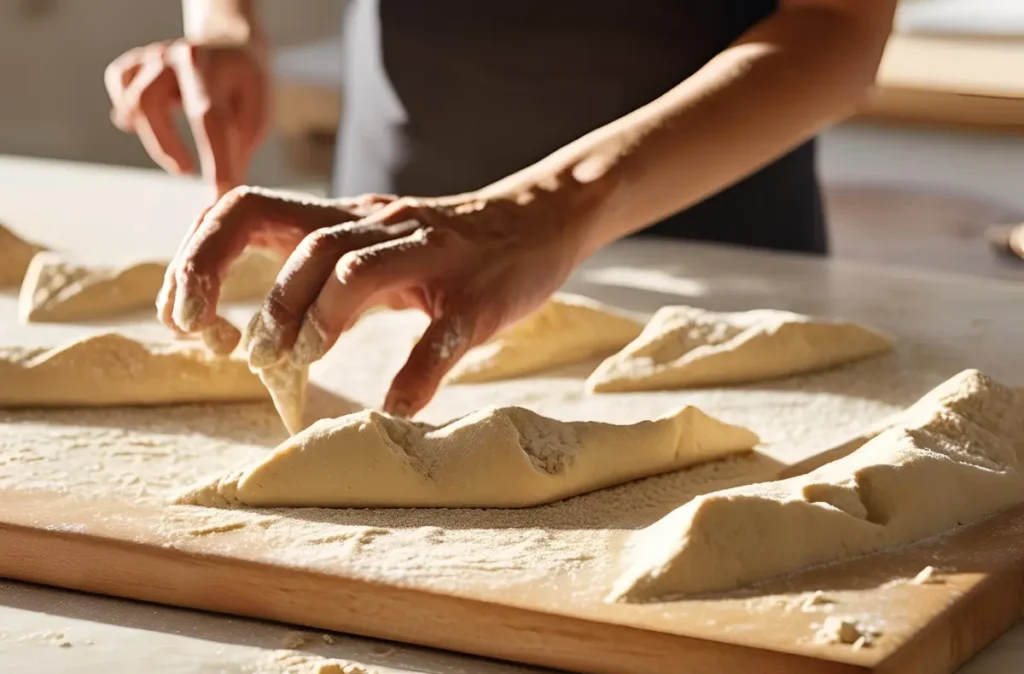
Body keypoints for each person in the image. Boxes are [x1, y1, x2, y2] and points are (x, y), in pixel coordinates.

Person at [105, 0, 898, 418]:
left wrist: (547, 208)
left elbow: (838, 26)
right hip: (390, 230)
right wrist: (227, 25)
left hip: (704, 230)